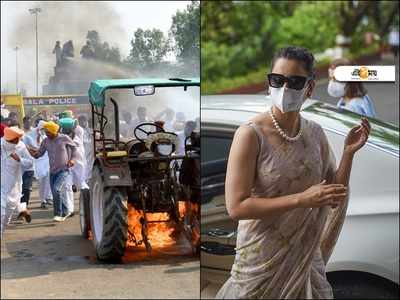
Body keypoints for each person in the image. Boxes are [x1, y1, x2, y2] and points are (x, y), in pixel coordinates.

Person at [216, 46, 371, 299]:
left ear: (309, 88)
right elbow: (236, 206)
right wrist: (302, 199)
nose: (284, 88)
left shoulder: (315, 134)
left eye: (294, 82)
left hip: (305, 264)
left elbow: (334, 196)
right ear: (269, 83)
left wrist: (348, 153)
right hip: (262, 263)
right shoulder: (251, 134)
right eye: (277, 80)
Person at [27, 121, 77, 222]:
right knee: (55, 193)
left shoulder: (64, 138)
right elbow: (39, 154)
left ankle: (58, 214)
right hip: (52, 171)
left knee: (56, 189)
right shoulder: (45, 141)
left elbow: (74, 148)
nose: (46, 134)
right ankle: (66, 210)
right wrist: (28, 150)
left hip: (63, 169)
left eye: (48, 132)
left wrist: (72, 160)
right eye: (46, 132)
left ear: (54, 131)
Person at [1, 127, 34, 238]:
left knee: (6, 219)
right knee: (1, 214)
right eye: (14, 140)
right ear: (8, 139)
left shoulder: (21, 146)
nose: (17, 142)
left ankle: (22, 209)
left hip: (13, 187)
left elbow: (30, 163)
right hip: (1, 186)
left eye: (18, 140)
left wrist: (19, 159)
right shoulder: (1, 144)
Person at [29, 119, 53, 209]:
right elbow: (31, 146)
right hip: (38, 160)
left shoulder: (46, 135)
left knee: (48, 179)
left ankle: (47, 198)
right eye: (43, 128)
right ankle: (42, 200)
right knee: (41, 180)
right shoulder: (32, 134)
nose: (44, 130)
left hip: (47, 159)